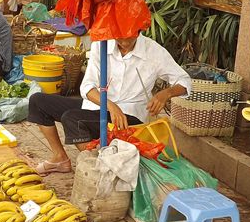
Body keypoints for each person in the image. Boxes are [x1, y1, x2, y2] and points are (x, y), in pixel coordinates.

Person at [27, 32, 191, 174]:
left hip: (130, 118)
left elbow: (185, 81)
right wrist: (111, 106)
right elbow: (87, 87)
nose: (125, 44)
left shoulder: (154, 51)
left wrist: (166, 93)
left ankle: (100, 168)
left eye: (130, 38)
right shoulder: (101, 45)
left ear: (139, 31)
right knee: (37, 101)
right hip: (99, 107)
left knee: (72, 119)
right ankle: (60, 158)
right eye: (120, 39)